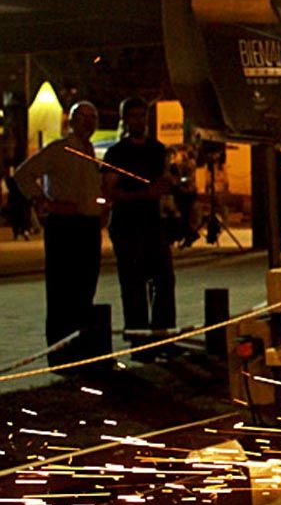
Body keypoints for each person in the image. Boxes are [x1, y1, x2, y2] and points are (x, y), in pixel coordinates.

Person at [12, 101, 103, 368]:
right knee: (63, 291)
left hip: (87, 226)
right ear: (72, 121)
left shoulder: (89, 151)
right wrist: (44, 202)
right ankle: (61, 352)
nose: (89, 122)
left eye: (93, 117)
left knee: (85, 289)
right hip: (65, 226)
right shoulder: (60, 149)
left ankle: (80, 349)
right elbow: (23, 174)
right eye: (83, 117)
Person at [103, 96, 176, 361]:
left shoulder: (157, 149)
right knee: (133, 285)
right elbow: (109, 190)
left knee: (164, 281)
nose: (139, 121)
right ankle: (140, 343)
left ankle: (163, 336)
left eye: (142, 116)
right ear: (125, 119)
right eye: (133, 116)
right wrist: (143, 195)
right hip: (127, 224)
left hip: (154, 223)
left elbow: (166, 181)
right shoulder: (117, 153)